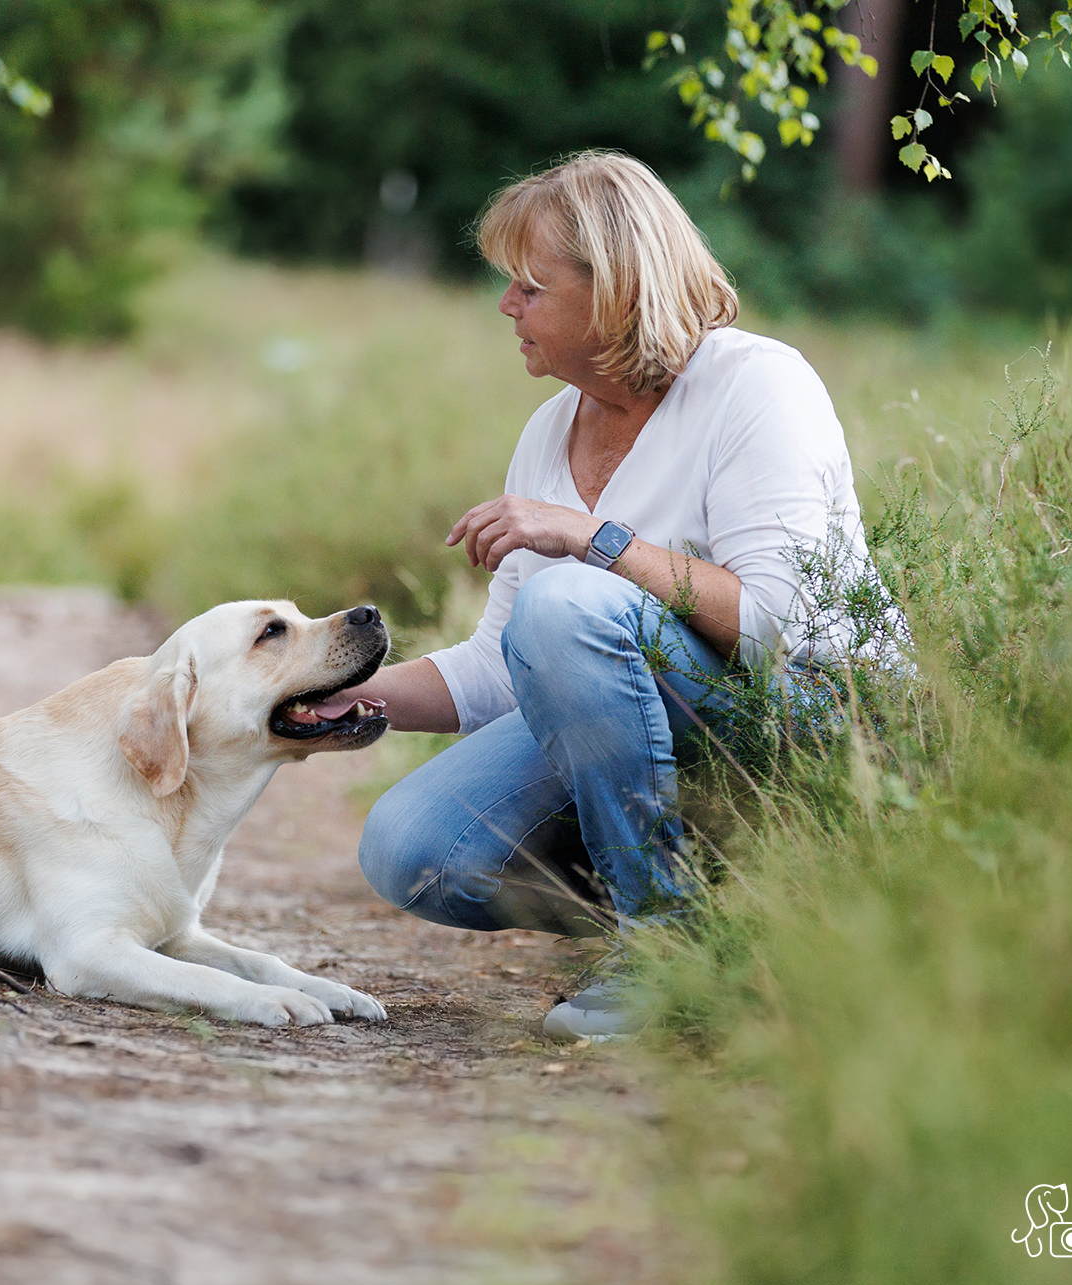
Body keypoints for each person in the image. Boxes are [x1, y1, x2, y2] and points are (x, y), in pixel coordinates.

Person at [332, 150, 903, 1039]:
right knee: (413, 847)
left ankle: (662, 951)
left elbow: (776, 624)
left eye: (530, 287)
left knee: (566, 605)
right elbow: (501, 668)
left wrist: (593, 539)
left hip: (811, 714)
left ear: (616, 292)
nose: (506, 306)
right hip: (645, 723)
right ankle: (718, 911)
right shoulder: (550, 429)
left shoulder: (756, 386)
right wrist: (339, 694)